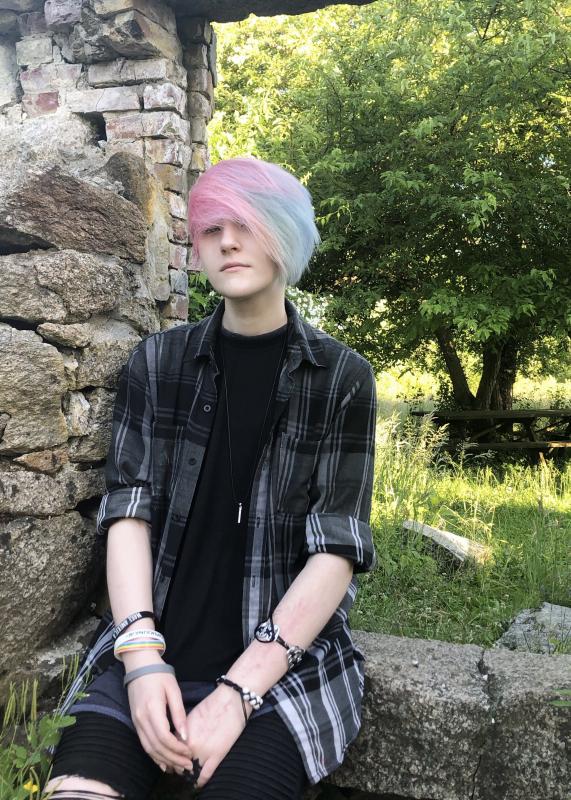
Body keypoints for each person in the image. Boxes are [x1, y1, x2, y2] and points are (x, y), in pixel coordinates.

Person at [43, 156, 377, 800]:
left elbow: (335, 551)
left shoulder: (342, 378)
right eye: (211, 229)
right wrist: (141, 661)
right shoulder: (156, 363)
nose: (227, 241)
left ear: (285, 233)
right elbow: (128, 513)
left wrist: (238, 693)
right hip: (154, 650)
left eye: (247, 223)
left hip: (283, 675)